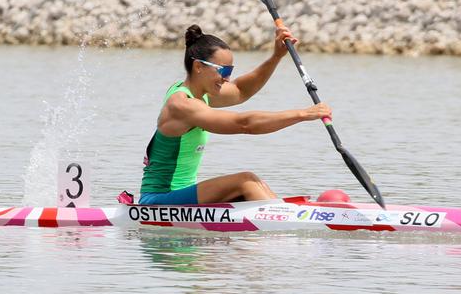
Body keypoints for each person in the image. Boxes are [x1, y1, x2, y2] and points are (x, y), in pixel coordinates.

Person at [139, 24, 332, 205]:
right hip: (159, 200)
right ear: (198, 66)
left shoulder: (200, 93)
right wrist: (303, 114)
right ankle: (289, 226)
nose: (227, 78)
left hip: (182, 197)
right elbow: (244, 124)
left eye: (230, 70)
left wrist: (276, 57)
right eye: (223, 70)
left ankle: (284, 222)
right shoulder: (182, 105)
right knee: (246, 181)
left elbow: (241, 90)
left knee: (255, 184)